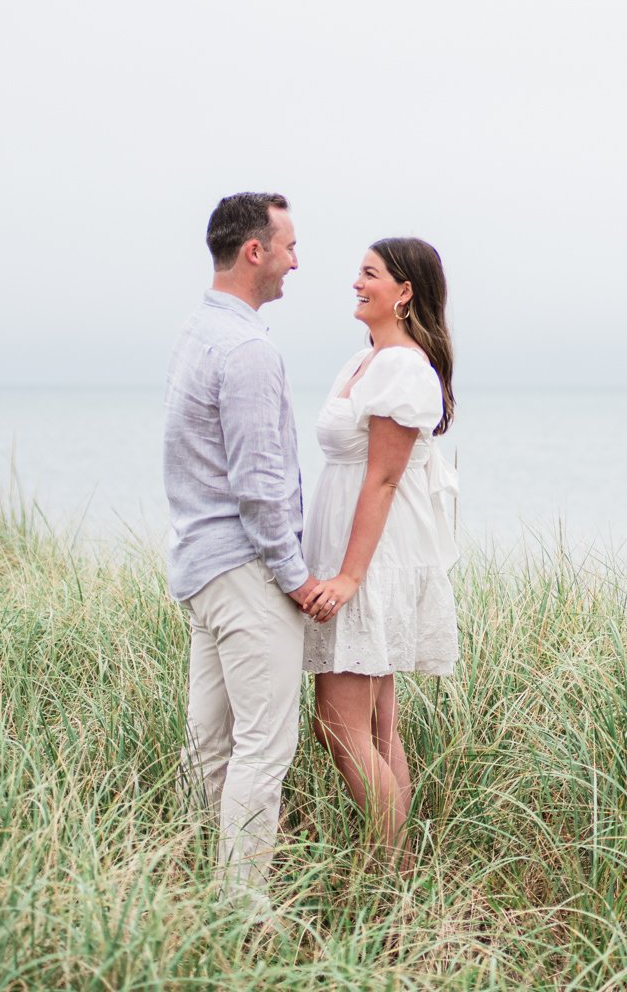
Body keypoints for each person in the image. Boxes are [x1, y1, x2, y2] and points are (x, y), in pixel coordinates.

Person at [162, 192, 323, 899]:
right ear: (254, 251)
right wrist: (294, 578)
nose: (296, 260)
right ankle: (244, 912)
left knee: (212, 742)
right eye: (288, 245)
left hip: (201, 567)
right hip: (246, 570)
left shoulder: (199, 330)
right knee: (264, 746)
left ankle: (199, 888)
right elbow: (260, 488)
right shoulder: (248, 349)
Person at [299, 237, 460, 858]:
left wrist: (347, 577)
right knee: (373, 725)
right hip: (357, 551)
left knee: (340, 725)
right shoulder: (365, 359)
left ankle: (392, 877)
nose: (356, 284)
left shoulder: (400, 367)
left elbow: (385, 477)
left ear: (405, 292)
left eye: (369, 274)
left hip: (371, 560)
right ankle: (400, 880)